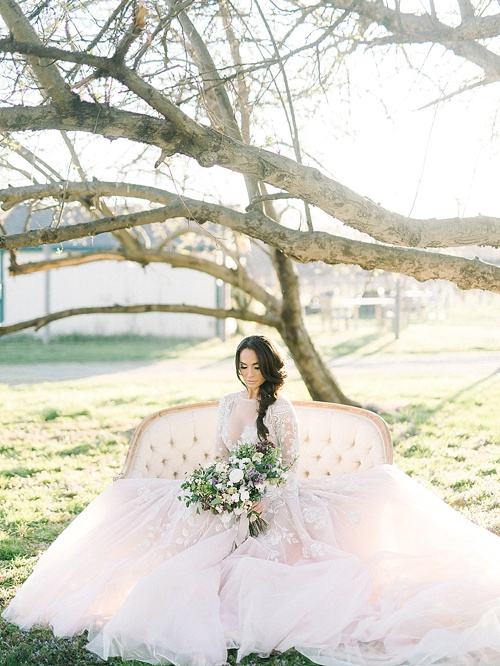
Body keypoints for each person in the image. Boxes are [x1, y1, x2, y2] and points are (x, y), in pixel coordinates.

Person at [3, 334, 500, 666]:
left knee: (272, 543)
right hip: (231, 489)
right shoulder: (226, 404)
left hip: (275, 493)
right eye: (241, 366)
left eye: (255, 367)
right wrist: (222, 487)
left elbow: (287, 464)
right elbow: (221, 454)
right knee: (162, 512)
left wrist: (260, 496)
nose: (248, 375)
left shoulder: (281, 409)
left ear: (268, 368)